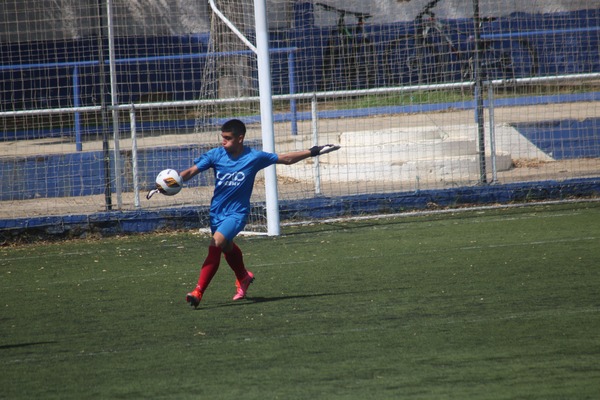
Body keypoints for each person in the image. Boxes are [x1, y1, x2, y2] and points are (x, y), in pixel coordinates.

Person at [179, 119, 340, 308]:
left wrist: (313, 151)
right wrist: (171, 182)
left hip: (236, 214)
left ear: (240, 138)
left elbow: (286, 159)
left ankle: (198, 292)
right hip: (216, 213)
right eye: (222, 138)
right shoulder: (216, 155)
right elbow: (191, 171)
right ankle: (243, 277)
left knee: (216, 244)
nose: (223, 142)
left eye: (228, 138)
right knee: (226, 246)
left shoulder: (253, 158)